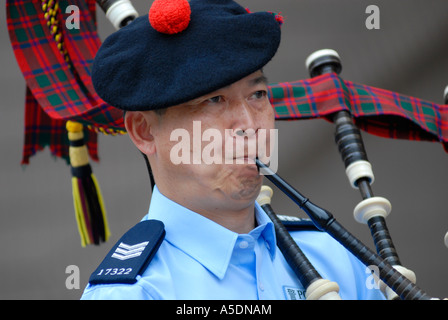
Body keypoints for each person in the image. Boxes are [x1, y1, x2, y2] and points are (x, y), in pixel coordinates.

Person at [81, 0, 385, 300]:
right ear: (144, 131)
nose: (249, 124)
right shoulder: (132, 293)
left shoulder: (336, 258)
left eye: (257, 94)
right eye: (214, 100)